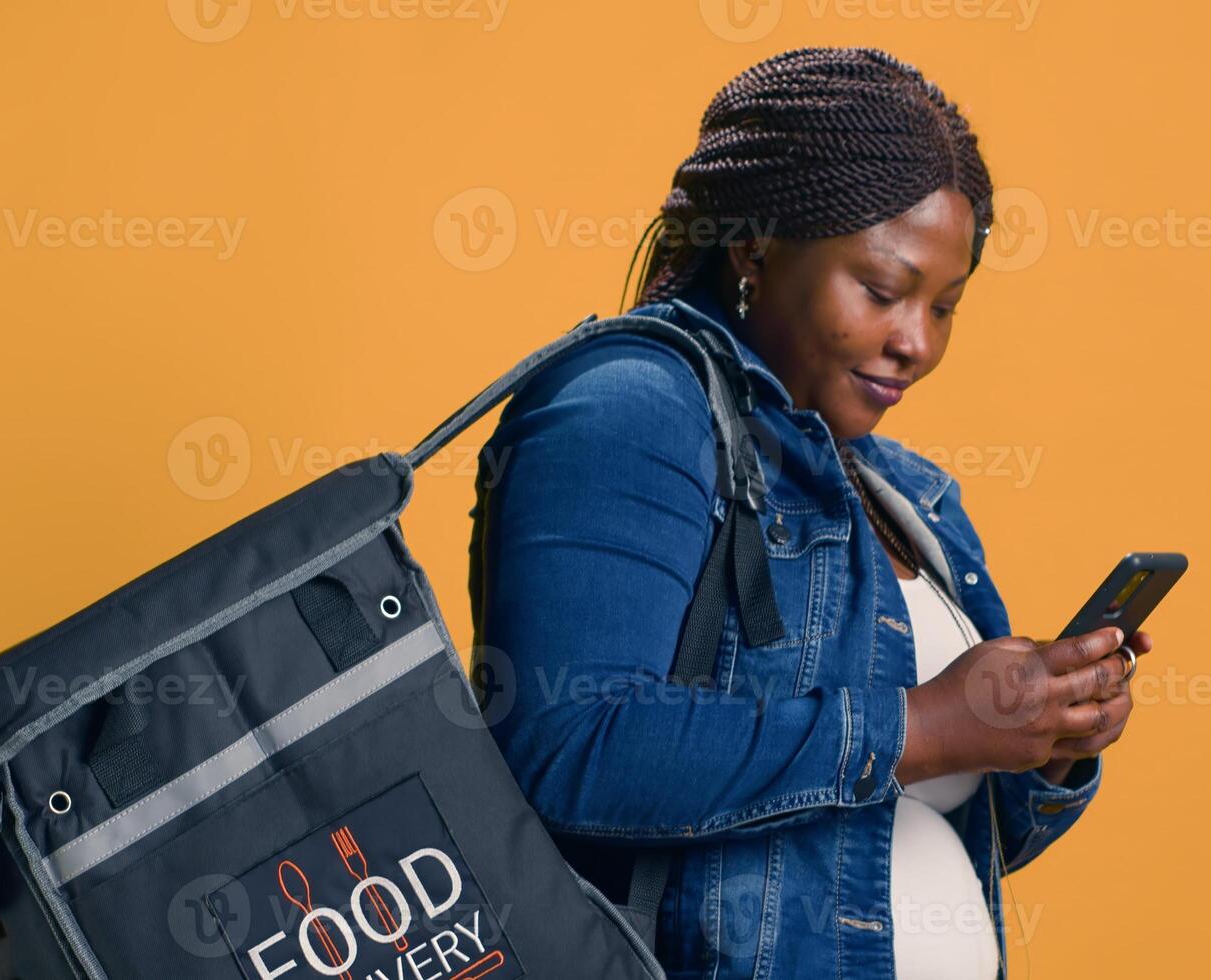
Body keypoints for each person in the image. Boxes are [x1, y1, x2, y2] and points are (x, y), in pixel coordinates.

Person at [466, 45, 1150, 980]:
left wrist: (1048, 743)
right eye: (882, 290)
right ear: (755, 246)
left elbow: (921, 827)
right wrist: (924, 725)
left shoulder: (910, 496)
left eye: (946, 307)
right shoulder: (630, 405)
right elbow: (565, 743)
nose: (915, 341)